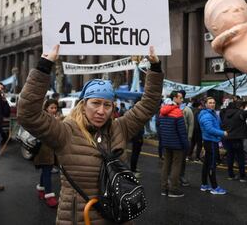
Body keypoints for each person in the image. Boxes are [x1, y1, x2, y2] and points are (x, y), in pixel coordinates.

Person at [17, 45, 163, 224]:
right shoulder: (65, 131)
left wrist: (155, 68)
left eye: (107, 105)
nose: (101, 111)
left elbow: (148, 105)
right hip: (79, 218)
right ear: (83, 104)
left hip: (117, 217)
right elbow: (28, 114)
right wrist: (43, 66)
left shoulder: (120, 128)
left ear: (112, 107)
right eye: (95, 103)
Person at [158, 91, 188, 198]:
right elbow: (182, 132)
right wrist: (186, 145)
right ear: (175, 98)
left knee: (166, 165)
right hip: (177, 145)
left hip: (166, 143)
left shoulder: (162, 111)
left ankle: (164, 188)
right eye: (180, 98)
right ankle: (173, 189)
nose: (182, 100)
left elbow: (160, 129)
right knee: (176, 166)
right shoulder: (177, 112)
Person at [199, 97, 228, 195]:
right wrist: (222, 133)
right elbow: (210, 129)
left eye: (214, 103)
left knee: (207, 164)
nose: (212, 104)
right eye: (210, 103)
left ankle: (204, 184)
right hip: (211, 142)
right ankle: (214, 187)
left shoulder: (211, 113)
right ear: (205, 104)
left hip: (210, 141)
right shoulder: (206, 115)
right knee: (211, 165)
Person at [34, 99, 60, 207]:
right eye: (51, 108)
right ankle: (49, 196)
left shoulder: (54, 118)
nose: (54, 110)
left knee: (46, 170)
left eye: (55, 108)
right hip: (44, 150)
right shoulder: (43, 118)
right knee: (47, 171)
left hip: (51, 149)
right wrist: (56, 123)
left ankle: (41, 190)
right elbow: (46, 132)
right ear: (46, 108)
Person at [178, 90, 194, 187]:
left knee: (182, 159)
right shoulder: (170, 107)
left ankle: (181, 176)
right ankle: (171, 177)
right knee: (171, 159)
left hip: (183, 139)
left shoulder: (187, 110)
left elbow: (191, 125)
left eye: (179, 96)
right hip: (172, 139)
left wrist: (189, 138)